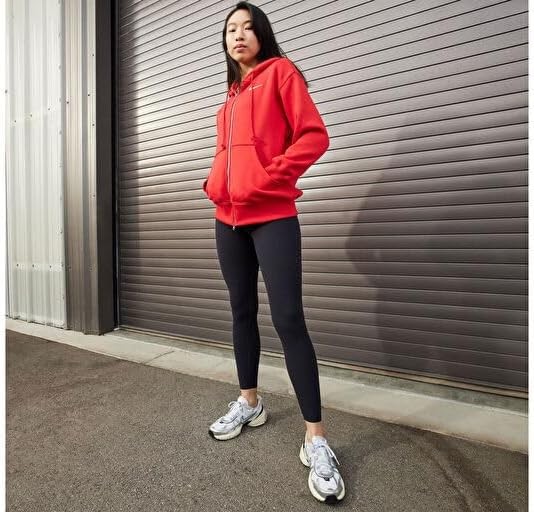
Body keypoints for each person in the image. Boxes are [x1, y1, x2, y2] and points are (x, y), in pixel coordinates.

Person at [202, 1, 345, 504]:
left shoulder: (281, 73)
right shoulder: (229, 98)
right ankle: (250, 402)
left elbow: (313, 135)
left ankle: (316, 438)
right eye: (230, 29)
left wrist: (270, 177)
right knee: (241, 311)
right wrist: (215, 184)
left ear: (261, 34)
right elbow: (227, 156)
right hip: (227, 218)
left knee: (288, 318)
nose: (238, 35)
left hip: (272, 215)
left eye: (247, 27)